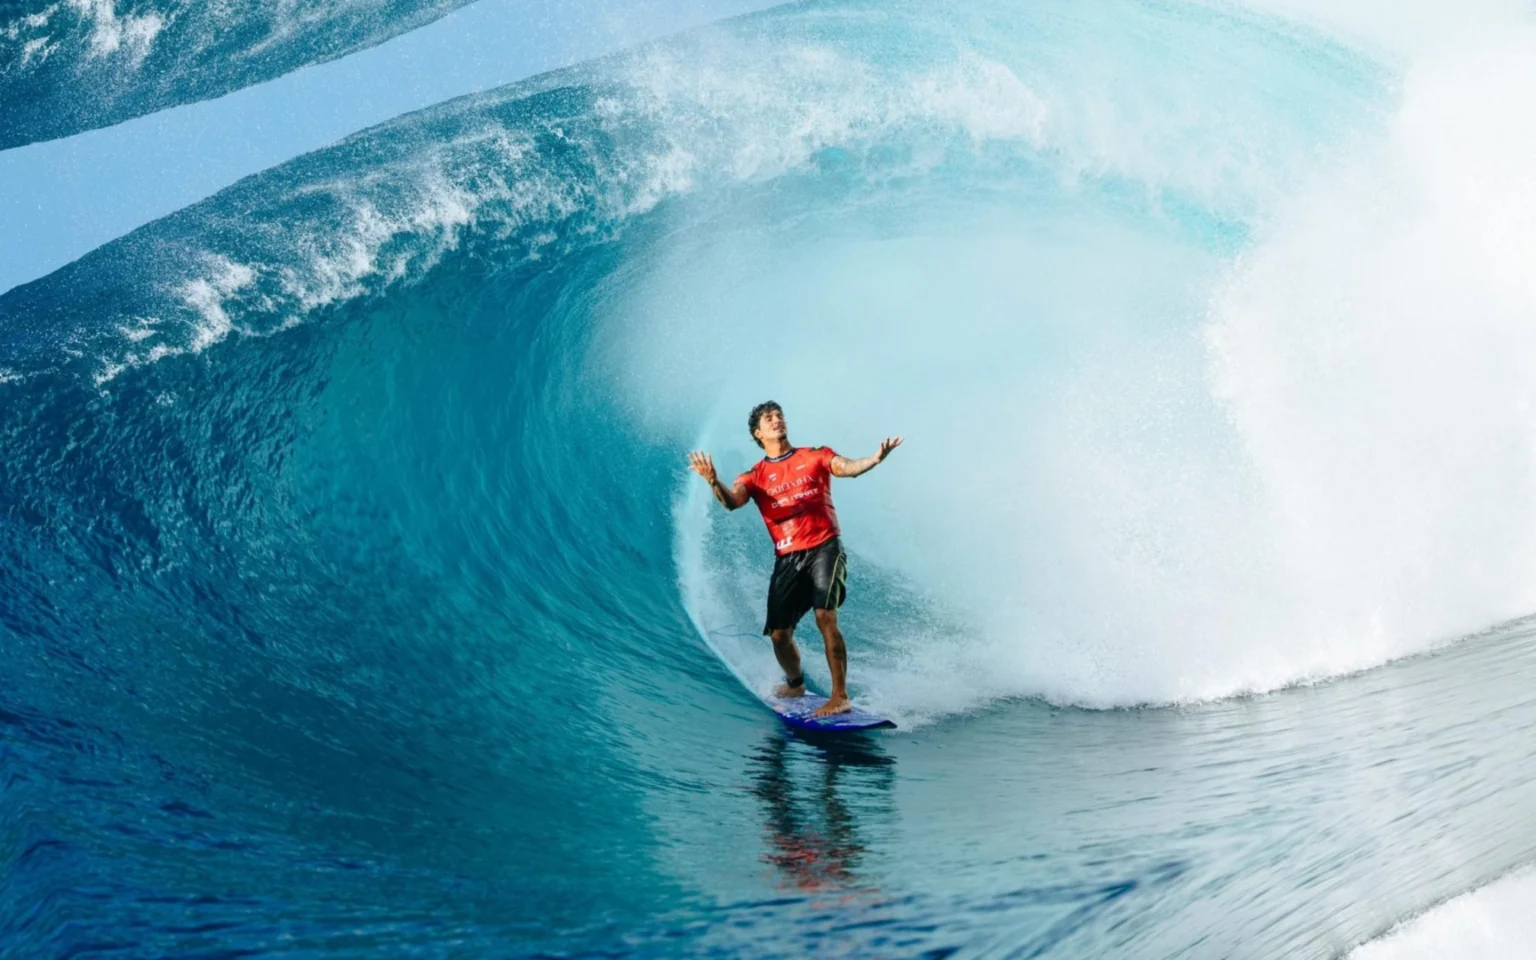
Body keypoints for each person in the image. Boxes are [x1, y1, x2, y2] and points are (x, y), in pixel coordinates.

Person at [687, 401, 901, 717]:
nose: (776, 420)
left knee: (825, 616)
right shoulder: (753, 477)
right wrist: (712, 481)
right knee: (779, 635)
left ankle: (840, 696)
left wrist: (874, 459)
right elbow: (732, 503)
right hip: (787, 557)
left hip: (825, 547)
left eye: (779, 416)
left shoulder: (814, 455)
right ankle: (796, 683)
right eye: (768, 419)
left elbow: (846, 468)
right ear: (758, 433)